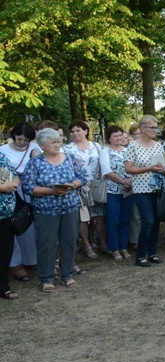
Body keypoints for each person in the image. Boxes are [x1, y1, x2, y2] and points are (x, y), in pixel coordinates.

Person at [22, 128, 88, 291]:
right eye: (53, 142)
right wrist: (51, 191)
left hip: (70, 208)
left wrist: (72, 185)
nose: (58, 145)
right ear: (43, 145)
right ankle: (46, 278)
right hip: (46, 211)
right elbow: (27, 187)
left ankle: (67, 275)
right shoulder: (35, 162)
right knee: (46, 244)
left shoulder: (70, 158)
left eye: (59, 141)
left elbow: (82, 177)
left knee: (69, 242)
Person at [124, 115, 165, 267]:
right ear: (143, 128)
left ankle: (153, 253)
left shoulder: (158, 145)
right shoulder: (133, 146)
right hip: (141, 189)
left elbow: (164, 167)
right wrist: (149, 168)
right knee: (148, 221)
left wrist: (162, 170)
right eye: (153, 127)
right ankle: (141, 255)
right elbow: (129, 168)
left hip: (157, 188)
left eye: (157, 127)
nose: (156, 130)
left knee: (156, 221)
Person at [0, 122, 40, 282]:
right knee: (14, 226)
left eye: (25, 140)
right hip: (10, 192)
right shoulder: (2, 151)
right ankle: (15, 264)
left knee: (29, 226)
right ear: (13, 136)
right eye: (19, 139)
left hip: (31, 190)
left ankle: (31, 260)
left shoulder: (35, 149)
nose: (22, 143)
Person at [65, 120, 106, 259]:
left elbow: (102, 163)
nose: (75, 133)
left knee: (99, 216)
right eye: (73, 131)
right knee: (83, 217)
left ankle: (102, 242)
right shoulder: (67, 149)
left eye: (78, 130)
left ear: (86, 131)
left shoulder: (96, 146)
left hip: (95, 184)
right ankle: (87, 245)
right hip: (79, 186)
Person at [100, 125, 134, 260]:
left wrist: (130, 181)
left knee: (125, 220)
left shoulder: (128, 150)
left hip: (128, 191)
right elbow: (107, 171)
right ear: (109, 138)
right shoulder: (105, 151)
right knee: (113, 220)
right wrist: (122, 181)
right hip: (112, 191)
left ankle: (124, 247)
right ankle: (114, 248)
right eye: (115, 136)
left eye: (120, 135)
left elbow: (134, 166)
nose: (119, 138)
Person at [0, 151, 21, 299]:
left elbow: (14, 174)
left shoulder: (1, 156)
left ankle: (3, 287)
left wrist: (14, 183)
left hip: (6, 215)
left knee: (5, 251)